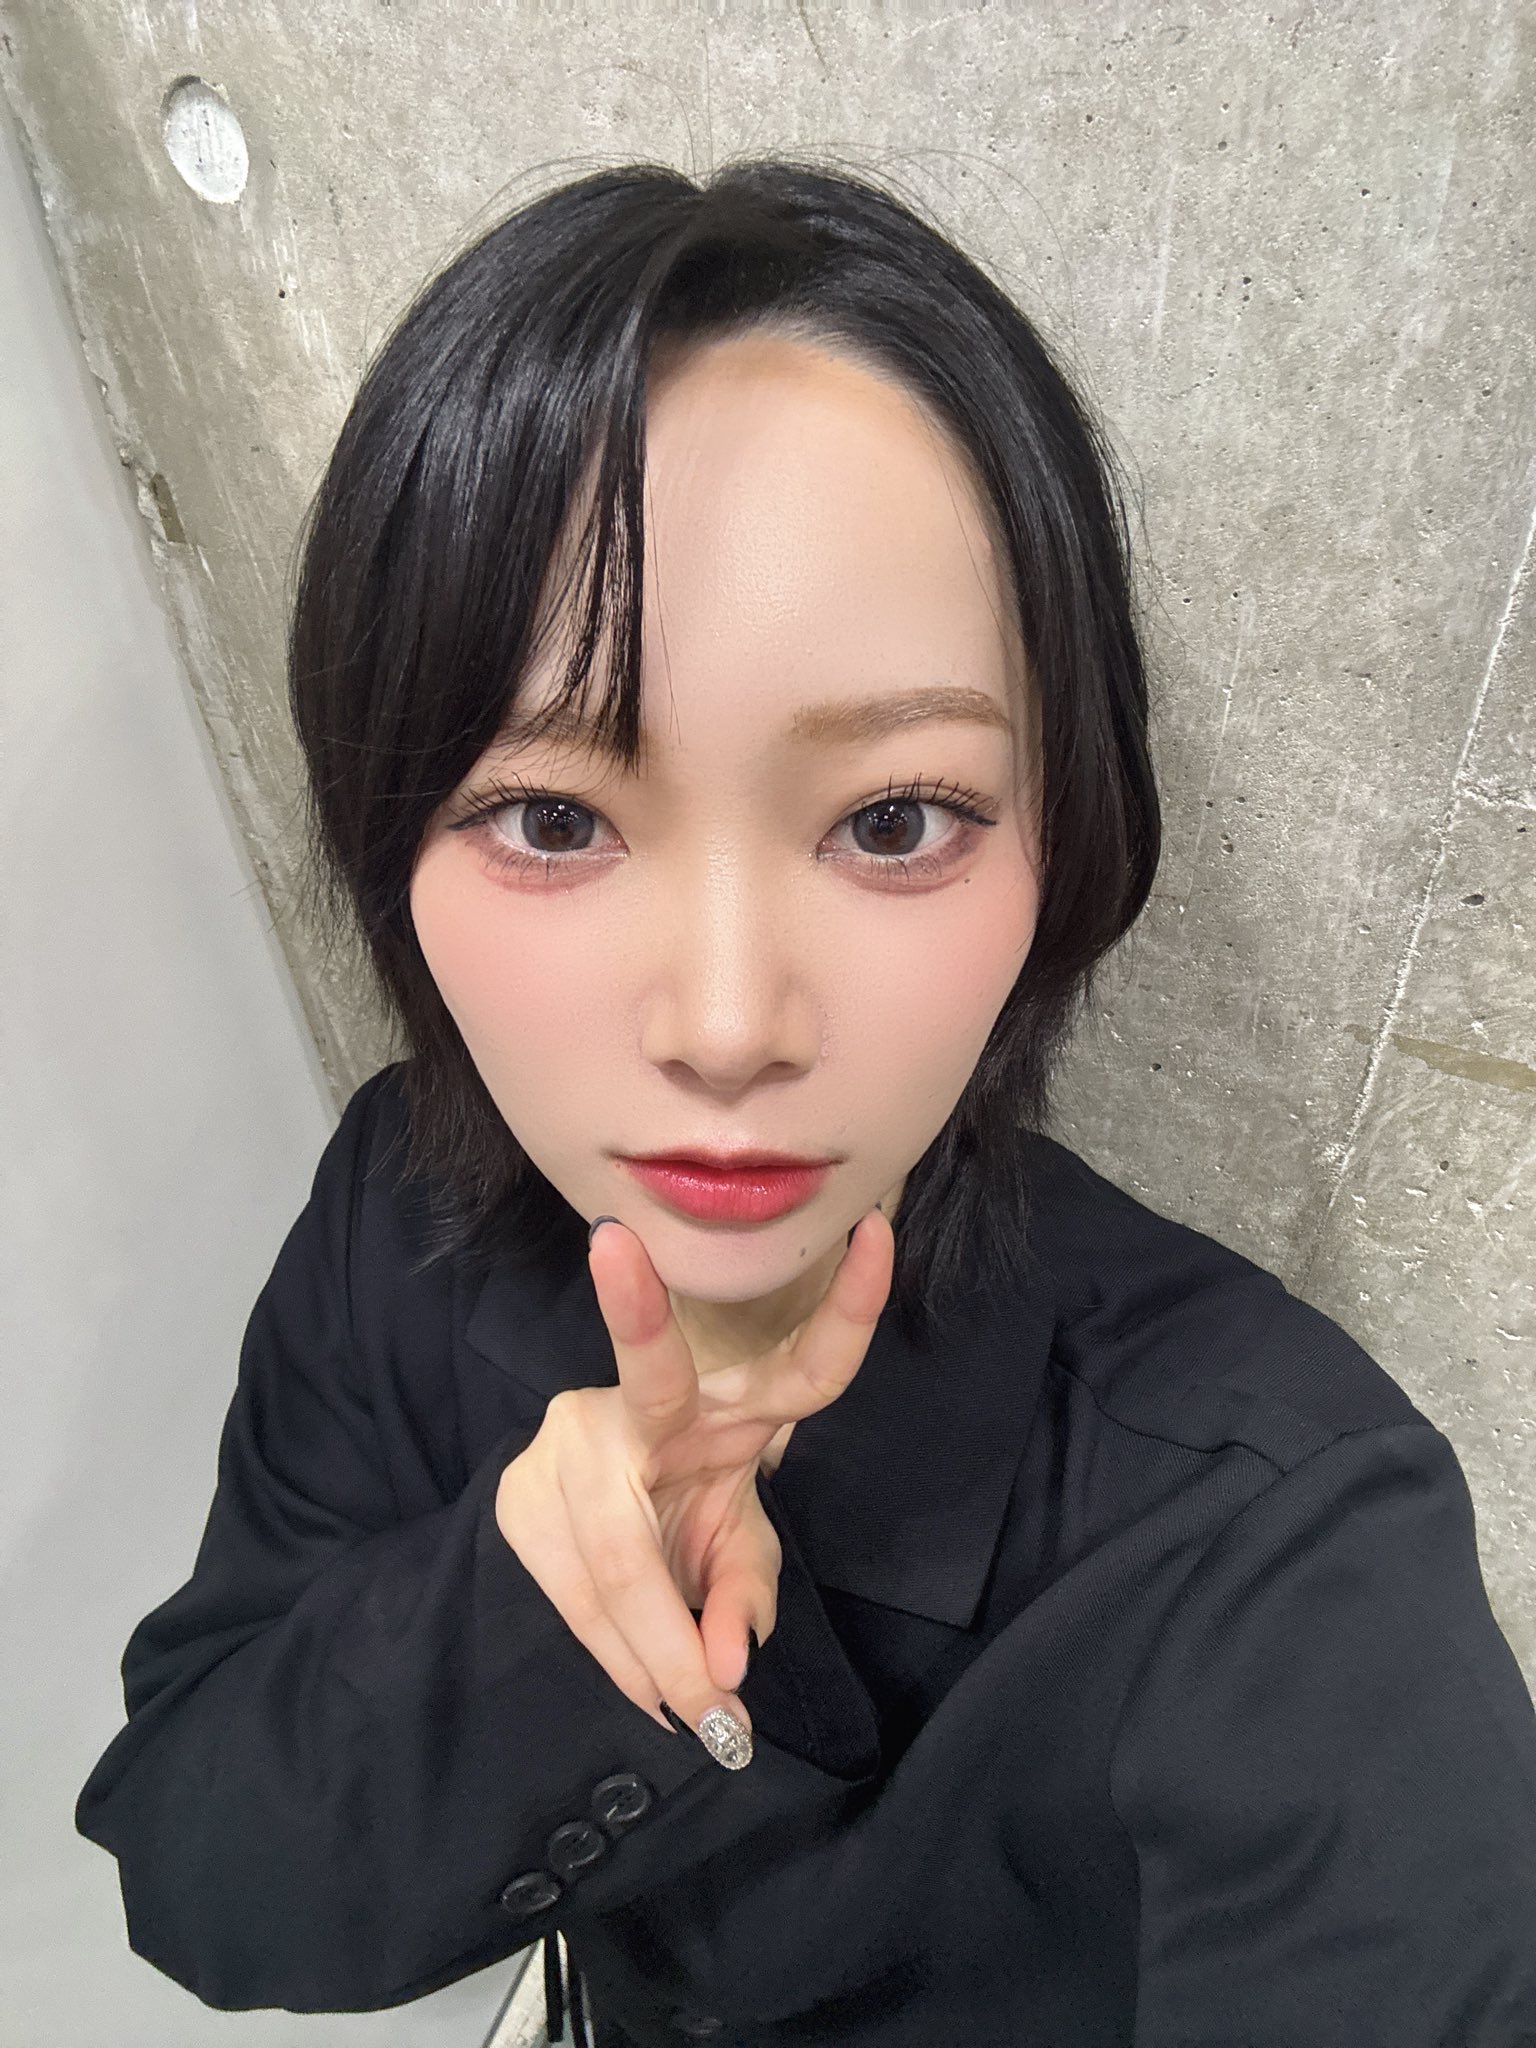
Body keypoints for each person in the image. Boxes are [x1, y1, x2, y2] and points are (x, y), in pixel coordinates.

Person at [75, 159, 1536, 2047]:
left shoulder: (1281, 1548)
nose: (726, 1024)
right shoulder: (402, 1210)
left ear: (1066, 849)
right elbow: (203, 1876)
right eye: (552, 818)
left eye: (896, 820)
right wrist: (515, 1608)